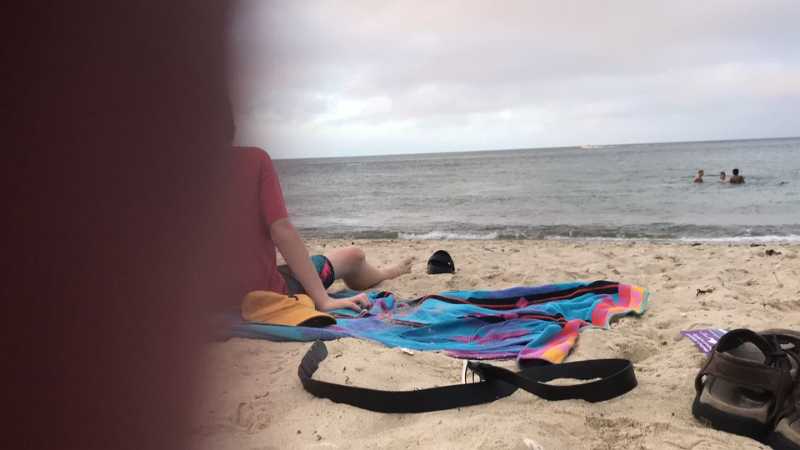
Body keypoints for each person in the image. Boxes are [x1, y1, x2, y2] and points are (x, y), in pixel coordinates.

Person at [224, 147, 413, 313]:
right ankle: (387, 273)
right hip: (261, 295)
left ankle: (386, 272)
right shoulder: (253, 160)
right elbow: (281, 230)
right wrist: (323, 300)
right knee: (353, 255)